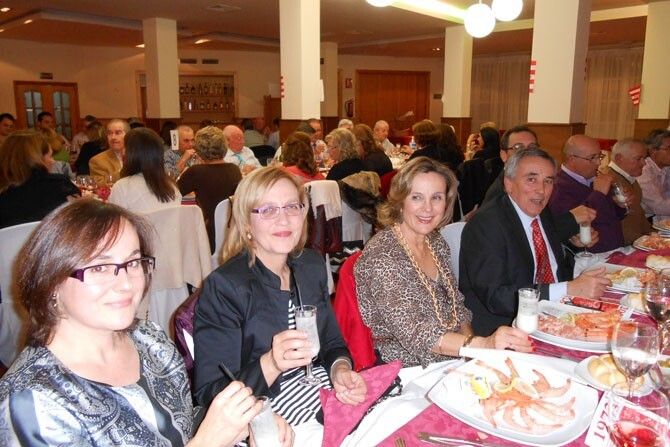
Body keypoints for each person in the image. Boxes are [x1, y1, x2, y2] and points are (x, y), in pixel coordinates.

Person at [0, 199, 294, 446]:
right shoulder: (32, 402)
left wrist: (243, 422)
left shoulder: (147, 339)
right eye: (100, 267)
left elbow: (177, 427)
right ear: (50, 282)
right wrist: (209, 441)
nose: (126, 283)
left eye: (132, 262)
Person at [193, 167, 367, 427]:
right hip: (267, 413)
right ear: (246, 223)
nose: (284, 220)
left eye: (292, 207)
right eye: (268, 210)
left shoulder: (310, 266)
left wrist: (340, 370)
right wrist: (272, 363)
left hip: (321, 393)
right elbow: (211, 393)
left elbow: (332, 342)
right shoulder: (225, 287)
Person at [355, 157, 531, 367]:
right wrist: (481, 345)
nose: (428, 208)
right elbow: (416, 333)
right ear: (400, 201)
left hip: (452, 357)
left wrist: (471, 358)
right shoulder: (383, 255)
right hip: (407, 367)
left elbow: (457, 309)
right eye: (417, 197)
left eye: (436, 198)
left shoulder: (435, 242)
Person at [460, 147, 611, 336]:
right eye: (531, 179)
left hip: (557, 315)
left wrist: (574, 245)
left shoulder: (540, 212)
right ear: (509, 184)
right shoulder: (487, 225)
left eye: (548, 181)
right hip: (509, 327)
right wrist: (567, 289)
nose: (541, 190)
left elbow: (547, 262)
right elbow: (497, 297)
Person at [482, 125, 592, 244]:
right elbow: (518, 239)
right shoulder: (501, 193)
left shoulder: (540, 185)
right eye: (518, 147)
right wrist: (571, 218)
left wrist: (572, 242)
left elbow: (542, 226)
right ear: (503, 155)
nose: (527, 153)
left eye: (532, 148)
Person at [548, 134, 626, 253]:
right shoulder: (558, 187)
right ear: (572, 159)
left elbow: (611, 217)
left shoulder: (593, 179)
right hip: (591, 258)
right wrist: (599, 193)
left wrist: (620, 205)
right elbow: (576, 222)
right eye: (592, 158)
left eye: (599, 156)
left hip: (616, 252)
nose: (598, 163)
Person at [178, 126, 242, 252]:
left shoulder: (195, 172)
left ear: (199, 149)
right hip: (233, 233)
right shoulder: (235, 170)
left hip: (208, 235)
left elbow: (173, 193)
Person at [0, 130, 79, 229]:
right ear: (37, 159)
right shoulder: (60, 187)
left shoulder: (4, 192)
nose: (53, 161)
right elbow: (79, 223)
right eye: (50, 156)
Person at [108, 128, 182, 213]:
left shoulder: (122, 187)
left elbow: (114, 219)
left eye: (125, 147)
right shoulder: (172, 186)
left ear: (131, 154)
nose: (122, 152)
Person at [602, 138, 651, 245]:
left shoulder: (630, 179)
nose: (644, 163)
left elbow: (638, 213)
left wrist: (652, 235)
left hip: (637, 241)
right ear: (619, 158)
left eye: (644, 158)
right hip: (623, 245)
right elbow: (620, 225)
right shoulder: (609, 180)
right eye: (638, 159)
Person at [638, 129, 670, 217]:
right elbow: (659, 207)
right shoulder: (643, 170)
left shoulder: (666, 167)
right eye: (669, 148)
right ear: (653, 151)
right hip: (646, 219)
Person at [89, 119, 129, 185]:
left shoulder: (138, 155)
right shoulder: (97, 161)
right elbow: (98, 184)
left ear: (128, 135)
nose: (113, 137)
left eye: (118, 133)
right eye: (109, 133)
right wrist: (124, 171)